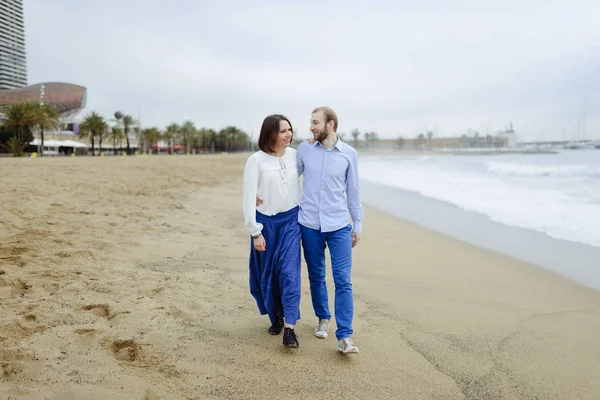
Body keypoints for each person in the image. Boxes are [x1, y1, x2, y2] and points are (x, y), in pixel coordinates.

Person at [296, 106, 363, 354]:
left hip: (339, 227)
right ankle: (323, 318)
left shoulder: (349, 154)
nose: (311, 127)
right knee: (316, 275)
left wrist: (358, 224)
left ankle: (345, 335)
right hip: (310, 224)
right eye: (311, 123)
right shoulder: (304, 150)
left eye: (315, 122)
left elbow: (353, 192)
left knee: (343, 280)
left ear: (330, 124)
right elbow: (289, 178)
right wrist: (263, 196)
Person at [242, 114, 301, 348]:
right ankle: (275, 316)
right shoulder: (256, 161)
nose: (289, 134)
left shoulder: (297, 155)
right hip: (265, 223)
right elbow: (248, 198)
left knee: (289, 273)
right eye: (283, 131)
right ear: (270, 134)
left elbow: (319, 173)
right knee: (269, 274)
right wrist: (255, 232)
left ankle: (290, 327)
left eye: (290, 130)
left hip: (291, 222)